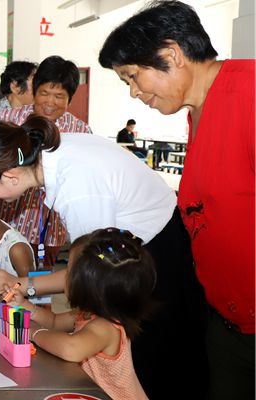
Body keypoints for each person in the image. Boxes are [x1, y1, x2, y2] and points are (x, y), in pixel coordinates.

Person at [0, 115, 208, 399]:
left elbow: (91, 270)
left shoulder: (77, 189)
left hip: (153, 257)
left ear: (9, 175)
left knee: (158, 365)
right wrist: (23, 287)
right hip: (144, 248)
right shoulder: (54, 156)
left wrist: (24, 291)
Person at [99, 1, 254, 398]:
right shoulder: (197, 111)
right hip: (227, 323)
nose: (134, 93)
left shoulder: (248, 94)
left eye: (133, 77)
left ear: (171, 55)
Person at [9, 228, 154, 400]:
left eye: (69, 272)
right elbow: (54, 321)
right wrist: (26, 306)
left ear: (87, 286)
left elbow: (71, 348)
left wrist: (33, 333)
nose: (64, 277)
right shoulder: (88, 315)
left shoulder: (106, 327)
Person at [0, 56, 92, 265]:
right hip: (5, 222)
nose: (50, 102)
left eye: (59, 96)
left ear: (70, 99)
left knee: (38, 280)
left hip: (50, 229)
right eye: (44, 93)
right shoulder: (7, 121)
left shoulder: (80, 131)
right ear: (34, 91)